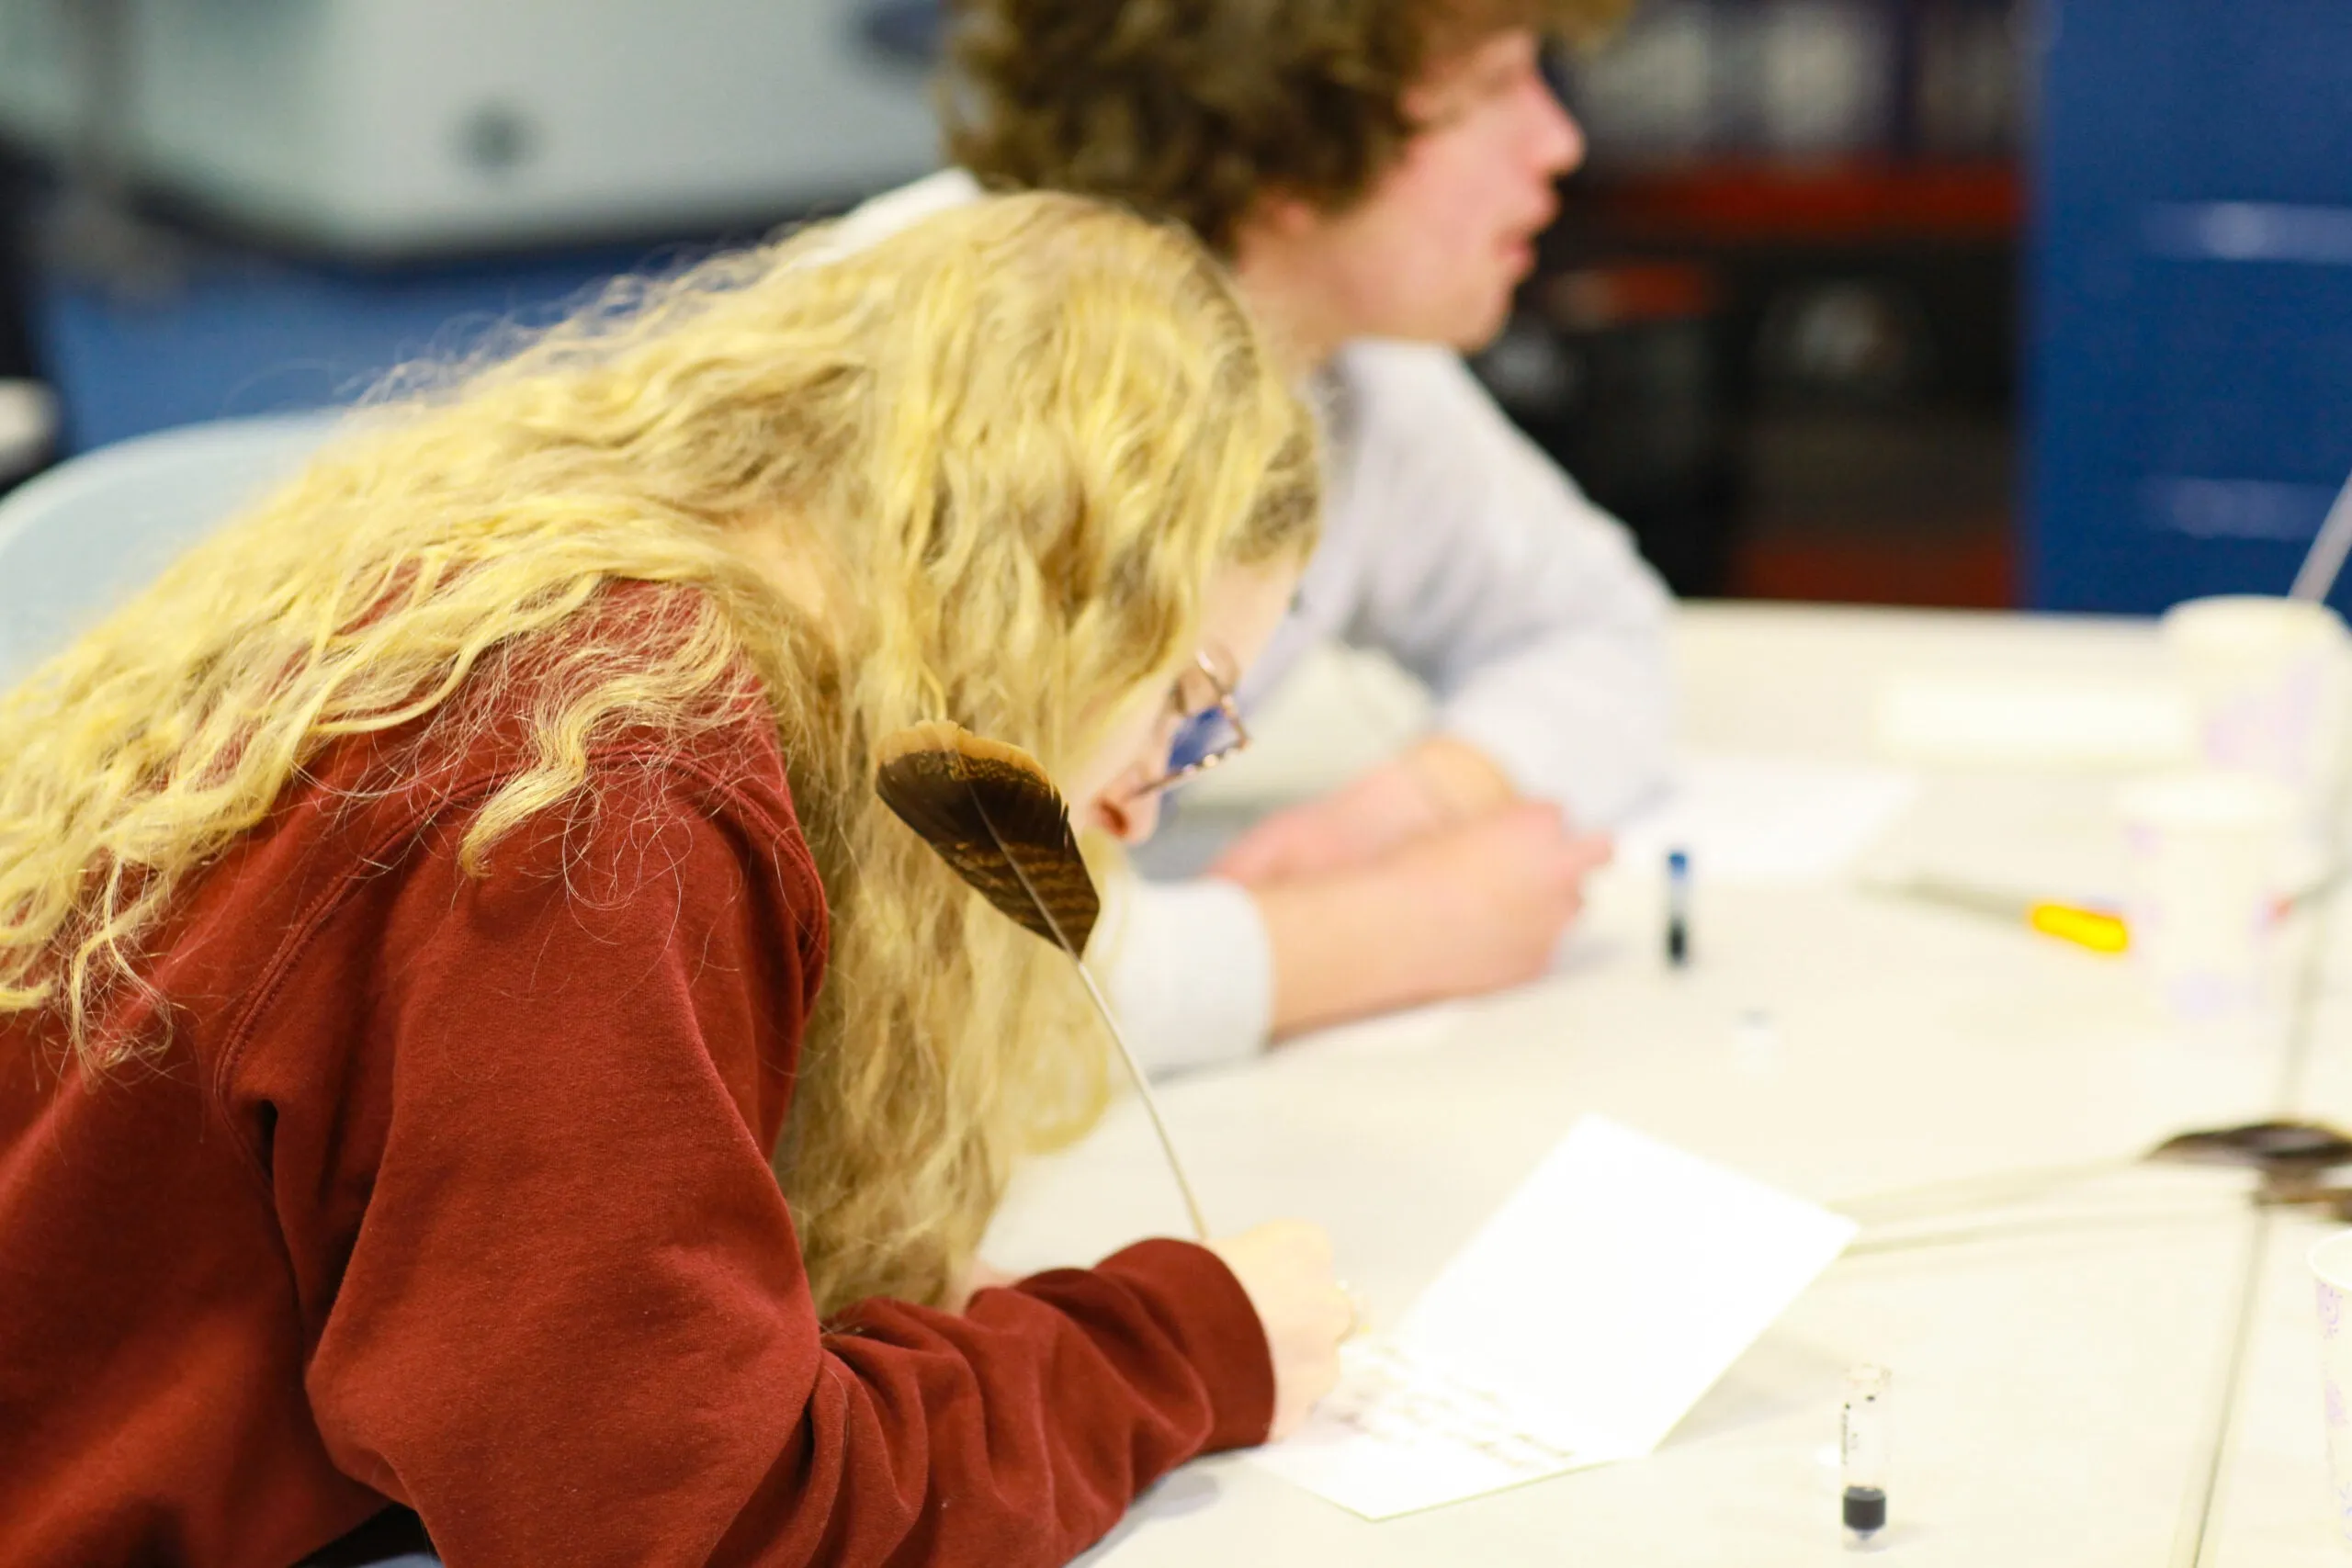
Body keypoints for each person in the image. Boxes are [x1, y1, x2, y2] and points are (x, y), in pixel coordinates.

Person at [0, 194, 1351, 1568]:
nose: (1139, 794)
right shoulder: (610, 782)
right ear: (1056, 602)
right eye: (1185, 704)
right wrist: (1174, 1344)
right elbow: (676, 1526)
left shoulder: (584, 619)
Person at [841, 0, 1675, 1071]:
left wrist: (1416, 803)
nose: (1558, 142)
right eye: (1492, 90)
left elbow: (1595, 623)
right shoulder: (940, 357)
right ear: (1285, 143)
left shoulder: (1350, 362)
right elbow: (892, 970)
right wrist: (1377, 932)